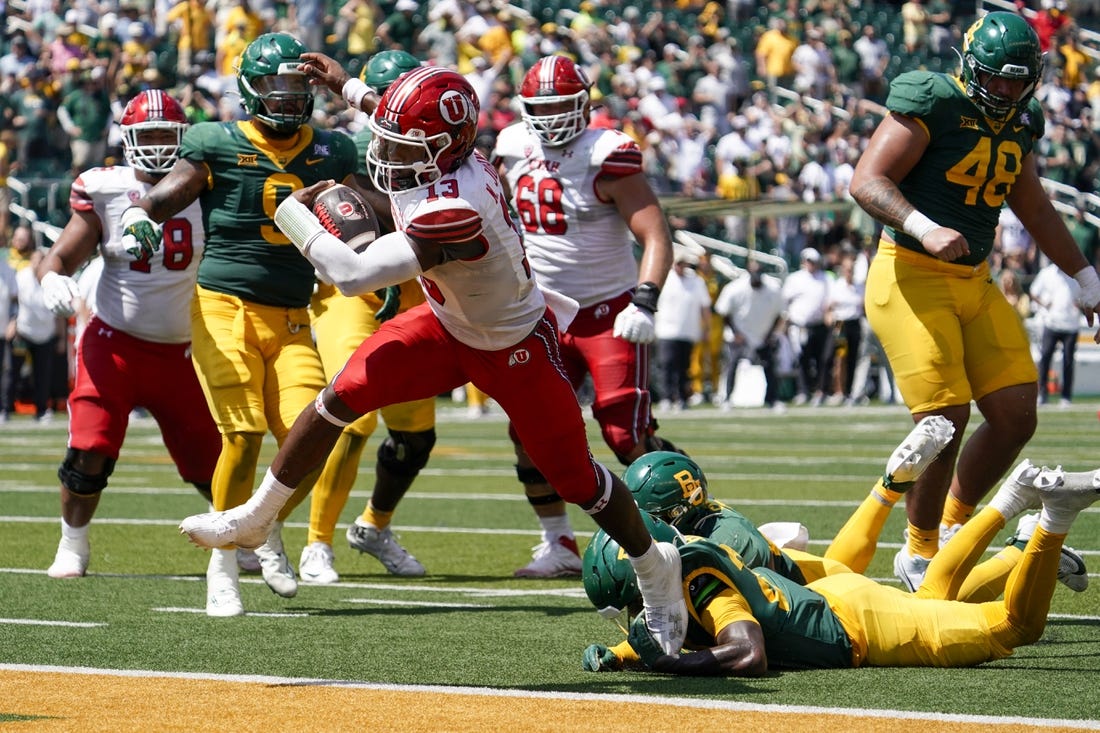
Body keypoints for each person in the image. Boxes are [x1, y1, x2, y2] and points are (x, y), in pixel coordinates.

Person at [178, 65, 689, 656]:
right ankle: (257, 518)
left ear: (446, 148)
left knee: (577, 478)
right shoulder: (444, 154)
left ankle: (656, 570)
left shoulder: (459, 202)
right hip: (448, 325)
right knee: (340, 395)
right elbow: (394, 118)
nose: (387, 152)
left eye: (402, 145)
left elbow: (352, 275)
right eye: (389, 139)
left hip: (513, 346)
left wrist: (293, 214)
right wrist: (349, 87)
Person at [848, 12, 1100, 592]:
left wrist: (1084, 275)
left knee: (1015, 414)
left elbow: (1033, 205)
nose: (1008, 91)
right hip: (909, 274)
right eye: (998, 78)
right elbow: (867, 179)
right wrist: (921, 223)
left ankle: (959, 534)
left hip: (973, 280)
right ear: (970, 67)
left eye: (1018, 80)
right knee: (946, 419)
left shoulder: (1022, 120)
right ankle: (918, 554)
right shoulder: (933, 101)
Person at [121, 32, 359, 616]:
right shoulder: (217, 142)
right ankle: (222, 564)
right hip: (224, 303)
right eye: (276, 87)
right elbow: (172, 190)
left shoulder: (334, 150)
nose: (287, 98)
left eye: (298, 86)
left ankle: (261, 523)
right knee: (243, 434)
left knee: (312, 441)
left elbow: (363, 213)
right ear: (251, 88)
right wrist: (138, 212)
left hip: (293, 312)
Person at [579, 458, 1100, 675]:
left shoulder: (703, 579)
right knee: (934, 596)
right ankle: (1016, 511)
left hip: (857, 627)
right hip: (836, 597)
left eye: (635, 595)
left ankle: (1054, 515)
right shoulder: (685, 560)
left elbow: (748, 652)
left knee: (1014, 628)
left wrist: (673, 664)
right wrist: (620, 655)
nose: (639, 609)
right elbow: (664, 624)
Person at [491, 54, 684, 577]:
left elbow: (655, 234)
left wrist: (644, 299)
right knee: (528, 428)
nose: (552, 117)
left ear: (584, 104)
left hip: (607, 311)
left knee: (625, 434)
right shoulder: (510, 145)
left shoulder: (608, 151)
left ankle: (693, 520)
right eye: (542, 107)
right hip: (544, 314)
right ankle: (558, 543)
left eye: (561, 106)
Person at [35, 90, 221, 580]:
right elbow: (60, 258)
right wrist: (52, 277)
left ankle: (240, 536)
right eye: (150, 135)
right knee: (88, 452)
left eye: (168, 136)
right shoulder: (106, 188)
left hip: (184, 352)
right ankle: (72, 544)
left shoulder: (206, 185)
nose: (159, 146)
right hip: (113, 342)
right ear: (128, 138)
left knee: (210, 463)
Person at [301, 49, 433, 584]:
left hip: (414, 289)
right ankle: (316, 543)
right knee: (352, 417)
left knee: (414, 436)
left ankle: (374, 526)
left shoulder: (438, 144)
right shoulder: (339, 148)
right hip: (352, 293)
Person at [712, 261, 785, 409]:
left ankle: (772, 399)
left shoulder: (773, 289)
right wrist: (736, 333)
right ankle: (727, 399)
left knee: (769, 365)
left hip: (763, 332)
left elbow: (780, 314)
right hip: (740, 333)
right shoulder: (735, 288)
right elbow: (724, 312)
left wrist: (770, 333)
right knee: (732, 364)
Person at [1029, 261, 1082, 407]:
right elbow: (1033, 292)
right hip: (1051, 322)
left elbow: (1084, 295)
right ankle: (1042, 394)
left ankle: (1066, 397)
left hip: (1071, 324)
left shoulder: (1075, 274)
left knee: (1068, 361)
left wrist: (1080, 304)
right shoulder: (1047, 273)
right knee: (1045, 357)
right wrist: (1045, 304)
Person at [782, 247, 830, 407]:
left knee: (821, 359)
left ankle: (819, 391)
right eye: (809, 261)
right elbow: (785, 301)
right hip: (800, 325)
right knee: (802, 359)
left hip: (819, 324)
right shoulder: (795, 279)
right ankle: (803, 391)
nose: (812, 264)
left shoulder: (824, 278)